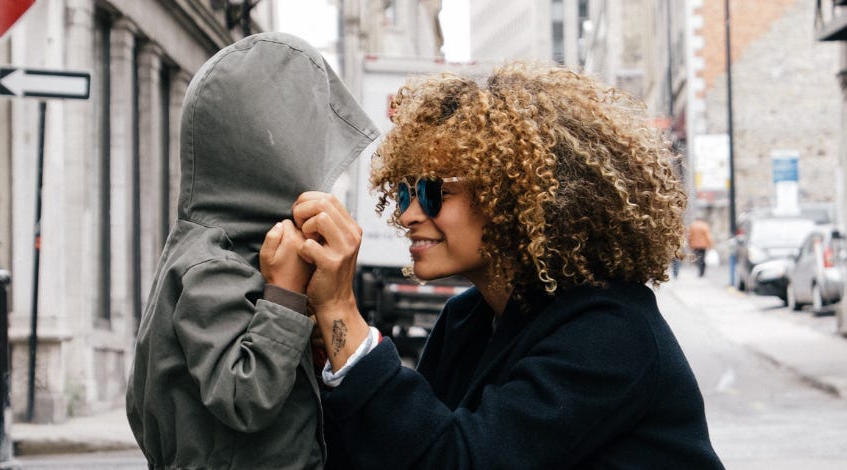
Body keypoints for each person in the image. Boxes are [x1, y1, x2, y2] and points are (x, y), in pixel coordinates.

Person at [292, 62, 724, 468]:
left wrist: (341, 312)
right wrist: (326, 350)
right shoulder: (466, 320)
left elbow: (456, 460)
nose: (407, 215)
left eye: (432, 193)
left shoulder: (613, 334)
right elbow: (398, 451)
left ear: (514, 198)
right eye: (404, 193)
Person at [125, 32, 378, 469]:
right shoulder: (210, 263)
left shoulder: (243, 249)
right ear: (270, 153)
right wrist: (285, 296)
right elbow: (244, 397)